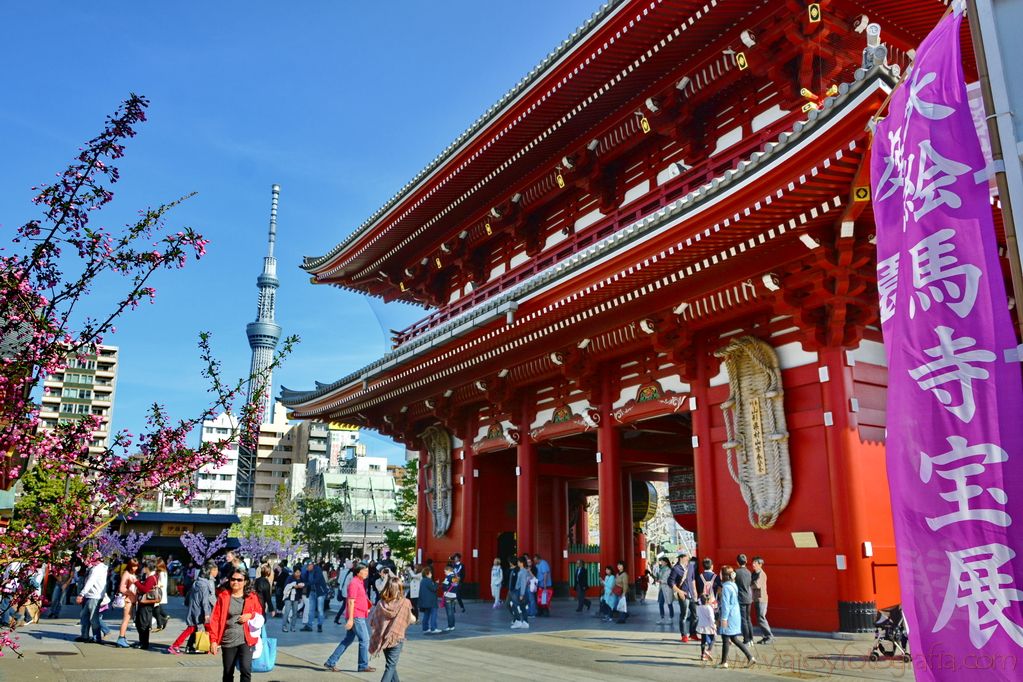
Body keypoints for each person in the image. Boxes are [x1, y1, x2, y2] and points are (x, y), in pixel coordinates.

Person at [209, 569, 264, 682]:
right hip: (228, 639)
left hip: (246, 639)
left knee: (246, 670)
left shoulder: (251, 596)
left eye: (239, 580)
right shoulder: (223, 597)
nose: (235, 582)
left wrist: (250, 615)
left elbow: (259, 614)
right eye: (233, 579)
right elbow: (215, 619)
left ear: (245, 582)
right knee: (228, 672)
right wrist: (213, 640)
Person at [323, 563, 375, 673]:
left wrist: (367, 607)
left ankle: (331, 662)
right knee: (364, 640)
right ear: (358, 572)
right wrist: (351, 619)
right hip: (356, 616)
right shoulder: (354, 583)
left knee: (348, 640)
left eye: (367, 570)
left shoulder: (360, 582)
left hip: (358, 614)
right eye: (364, 571)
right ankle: (363, 665)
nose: (367, 572)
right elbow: (350, 602)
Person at [369, 576, 414, 682]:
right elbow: (411, 619)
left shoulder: (381, 603)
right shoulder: (405, 602)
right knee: (390, 666)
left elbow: (374, 620)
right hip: (396, 637)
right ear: (399, 588)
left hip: (383, 638)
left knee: (391, 665)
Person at [169, 559, 217, 655]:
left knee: (193, 628)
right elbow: (205, 601)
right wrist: (207, 614)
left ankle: (200, 647)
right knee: (192, 628)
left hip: (194, 608)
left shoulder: (196, 582)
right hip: (200, 611)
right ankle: (175, 645)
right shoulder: (205, 585)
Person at [718, 566, 755, 668]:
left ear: (725, 576)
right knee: (734, 638)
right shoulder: (733, 585)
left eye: (721, 573)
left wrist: (724, 618)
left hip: (728, 616)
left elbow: (726, 605)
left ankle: (724, 662)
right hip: (735, 614)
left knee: (725, 638)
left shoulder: (725, 588)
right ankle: (750, 657)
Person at [75, 553, 108, 644]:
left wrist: (81, 594)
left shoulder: (97, 569)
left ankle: (96, 637)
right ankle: (84, 635)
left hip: (94, 596)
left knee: (93, 618)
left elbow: (90, 582)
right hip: (91, 595)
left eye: (90, 559)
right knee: (84, 616)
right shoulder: (99, 567)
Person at [132, 560, 161, 650]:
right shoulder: (152, 576)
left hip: (146, 604)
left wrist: (136, 582)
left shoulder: (151, 578)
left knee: (143, 624)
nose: (143, 569)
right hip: (147, 603)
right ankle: (143, 642)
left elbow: (145, 589)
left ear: (148, 568)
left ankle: (143, 644)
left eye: (144, 567)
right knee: (140, 623)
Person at [115, 558, 139, 648]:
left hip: (131, 599)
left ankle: (122, 638)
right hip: (128, 599)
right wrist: (131, 593)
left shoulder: (131, 573)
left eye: (136, 566)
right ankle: (121, 638)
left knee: (127, 619)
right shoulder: (127, 573)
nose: (135, 568)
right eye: (133, 566)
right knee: (126, 619)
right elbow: (122, 588)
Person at [670, 553, 694, 642]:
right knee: (684, 615)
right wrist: (679, 591)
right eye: (686, 557)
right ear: (681, 558)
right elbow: (670, 582)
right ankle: (684, 635)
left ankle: (693, 633)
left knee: (695, 615)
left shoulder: (690, 566)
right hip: (683, 594)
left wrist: (695, 592)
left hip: (692, 593)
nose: (688, 558)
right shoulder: (675, 569)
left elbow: (693, 579)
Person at [751, 556, 774, 644]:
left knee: (761, 618)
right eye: (752, 563)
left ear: (760, 564)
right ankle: (765, 636)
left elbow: (757, 585)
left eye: (755, 563)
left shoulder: (762, 574)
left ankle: (769, 636)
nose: (753, 565)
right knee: (759, 619)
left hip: (762, 599)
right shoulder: (754, 573)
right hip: (756, 599)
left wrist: (748, 586)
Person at [734, 554, 753, 644]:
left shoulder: (736, 572)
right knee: (748, 618)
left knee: (743, 619)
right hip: (749, 597)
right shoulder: (749, 572)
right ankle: (751, 638)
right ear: (746, 561)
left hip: (741, 598)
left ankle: (746, 639)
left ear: (737, 562)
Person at [511, 555, 531, 629]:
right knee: (522, 607)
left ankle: (519, 621)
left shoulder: (523, 571)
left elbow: (523, 583)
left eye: (518, 562)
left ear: (521, 563)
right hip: (523, 590)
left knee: (514, 606)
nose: (517, 563)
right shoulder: (524, 571)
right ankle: (525, 622)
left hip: (521, 591)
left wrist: (521, 594)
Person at [281, 567, 304, 632]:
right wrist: (294, 586)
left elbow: (301, 588)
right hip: (289, 597)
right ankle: (284, 626)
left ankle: (293, 626)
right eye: (297, 572)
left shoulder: (301, 578)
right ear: (294, 572)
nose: (298, 574)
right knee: (287, 612)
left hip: (296, 597)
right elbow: (286, 586)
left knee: (295, 613)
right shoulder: (290, 578)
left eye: (299, 572)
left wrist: (300, 597)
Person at [418, 566, 439, 634]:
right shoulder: (428, 580)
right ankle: (433, 628)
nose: (431, 574)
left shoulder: (423, 580)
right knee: (433, 614)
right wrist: (436, 583)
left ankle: (425, 628)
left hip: (425, 602)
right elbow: (434, 589)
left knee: (426, 615)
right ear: (427, 573)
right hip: (431, 602)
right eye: (430, 573)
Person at [655, 556, 674, 625]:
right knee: (660, 603)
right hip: (661, 588)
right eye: (661, 561)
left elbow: (669, 580)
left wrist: (661, 580)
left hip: (667, 588)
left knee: (669, 603)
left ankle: (671, 618)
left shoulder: (669, 570)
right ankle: (662, 618)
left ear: (666, 562)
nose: (661, 562)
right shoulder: (661, 569)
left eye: (662, 561)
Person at [441, 563, 460, 632]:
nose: (444, 573)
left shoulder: (448, 577)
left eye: (445, 571)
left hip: (448, 596)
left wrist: (444, 588)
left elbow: (443, 585)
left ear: (448, 570)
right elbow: (456, 586)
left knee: (449, 612)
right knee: (452, 611)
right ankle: (453, 626)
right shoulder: (455, 576)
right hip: (454, 596)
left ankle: (450, 626)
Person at [154, 558, 170, 631]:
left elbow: (162, 584)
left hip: (159, 592)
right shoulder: (163, 572)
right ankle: (162, 619)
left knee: (156, 607)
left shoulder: (162, 573)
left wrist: (156, 585)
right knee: (157, 607)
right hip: (159, 592)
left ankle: (161, 620)